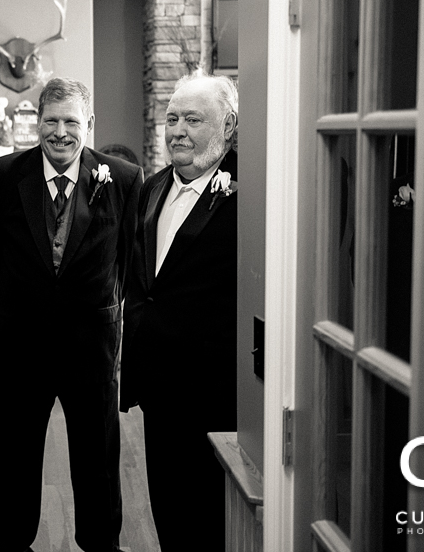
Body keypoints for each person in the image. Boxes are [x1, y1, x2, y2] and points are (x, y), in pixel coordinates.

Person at [0, 77, 143, 552]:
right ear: (37, 122)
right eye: (51, 120)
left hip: (91, 345)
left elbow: (127, 265)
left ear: (88, 124)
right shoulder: (2, 176)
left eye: (71, 121)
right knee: (15, 451)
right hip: (22, 342)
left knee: (97, 453)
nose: (60, 132)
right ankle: (12, 542)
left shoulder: (124, 179)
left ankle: (100, 543)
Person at [119, 70, 239, 549]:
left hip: (215, 393)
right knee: (167, 507)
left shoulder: (248, 194)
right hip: (158, 387)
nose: (177, 131)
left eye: (193, 119)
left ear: (228, 127)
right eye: (172, 119)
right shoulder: (151, 188)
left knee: (210, 516)